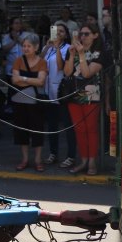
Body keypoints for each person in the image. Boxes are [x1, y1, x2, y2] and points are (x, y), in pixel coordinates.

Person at [63, 23, 105, 175]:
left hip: (91, 95)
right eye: (81, 34)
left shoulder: (98, 53)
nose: (83, 37)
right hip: (73, 94)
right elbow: (67, 72)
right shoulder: (73, 50)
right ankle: (84, 160)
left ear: (95, 35)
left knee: (91, 130)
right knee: (79, 130)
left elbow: (87, 73)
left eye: (87, 34)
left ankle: (92, 162)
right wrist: (72, 54)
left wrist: (81, 55)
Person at [10, 33, 48, 171]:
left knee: (37, 129)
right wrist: (31, 80)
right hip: (19, 101)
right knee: (21, 130)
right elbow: (14, 80)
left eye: (29, 46)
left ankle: (38, 159)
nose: (25, 49)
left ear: (36, 47)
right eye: (24, 46)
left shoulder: (42, 62)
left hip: (36, 102)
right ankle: (25, 159)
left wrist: (23, 79)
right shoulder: (18, 60)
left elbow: (41, 81)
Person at [42, 22, 77, 168]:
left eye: (61, 31)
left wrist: (56, 48)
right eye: (56, 31)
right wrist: (48, 46)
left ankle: (71, 155)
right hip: (48, 90)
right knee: (52, 125)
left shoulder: (68, 48)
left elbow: (61, 66)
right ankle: (53, 153)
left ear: (66, 34)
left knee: (67, 126)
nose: (58, 34)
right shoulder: (49, 48)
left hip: (62, 91)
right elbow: (40, 61)